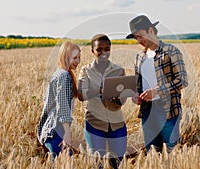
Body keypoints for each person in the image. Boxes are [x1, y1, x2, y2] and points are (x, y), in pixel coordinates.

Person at [126, 15, 188, 153]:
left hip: (168, 110)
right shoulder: (139, 57)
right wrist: (135, 95)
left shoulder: (171, 51)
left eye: (141, 36)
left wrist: (157, 91)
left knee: (173, 153)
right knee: (152, 154)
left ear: (151, 30)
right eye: (136, 38)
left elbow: (182, 80)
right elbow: (137, 84)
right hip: (147, 111)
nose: (139, 41)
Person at [78, 34, 127, 169]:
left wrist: (117, 99)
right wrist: (100, 90)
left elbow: (123, 99)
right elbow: (81, 95)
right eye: (99, 49)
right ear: (92, 51)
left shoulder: (119, 70)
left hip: (117, 122)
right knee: (97, 163)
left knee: (118, 163)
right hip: (95, 122)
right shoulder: (86, 71)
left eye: (107, 49)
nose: (103, 53)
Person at [37, 41, 81, 161]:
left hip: (53, 129)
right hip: (56, 131)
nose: (78, 61)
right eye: (74, 58)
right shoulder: (64, 76)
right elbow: (62, 106)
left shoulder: (60, 73)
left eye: (79, 57)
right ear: (65, 57)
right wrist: (67, 133)